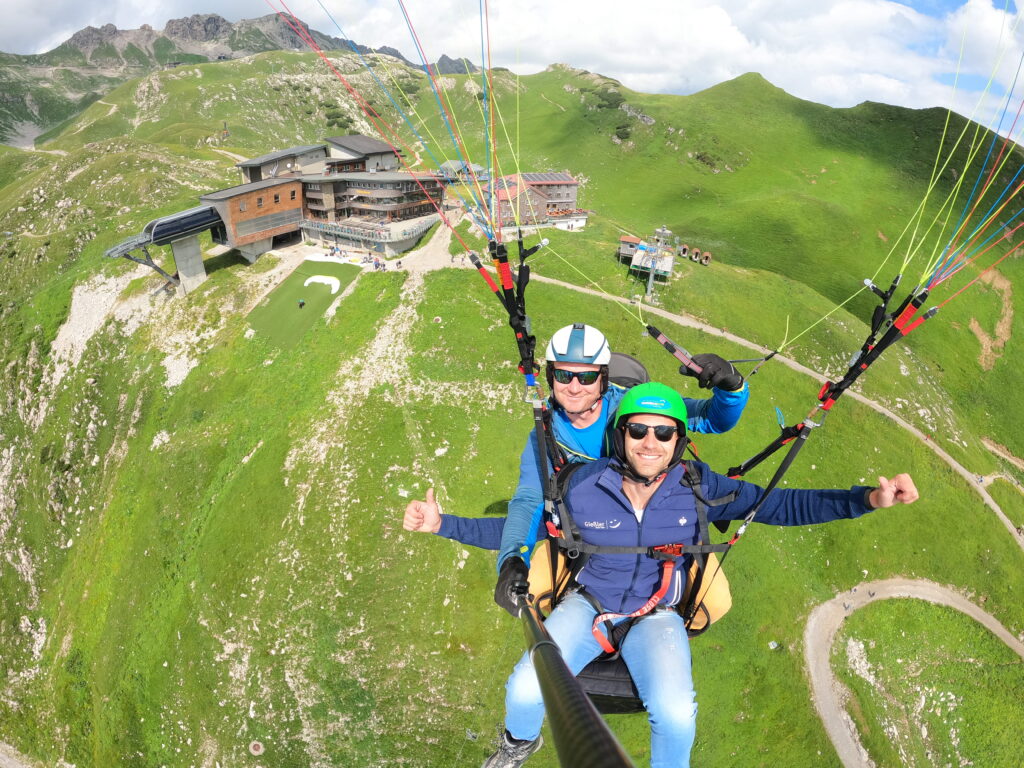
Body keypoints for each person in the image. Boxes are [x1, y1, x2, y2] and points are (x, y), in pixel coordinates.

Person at [481, 382, 919, 768]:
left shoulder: (698, 488)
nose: (650, 442)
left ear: (678, 440)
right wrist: (490, 549)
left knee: (675, 714)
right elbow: (526, 522)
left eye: (664, 431)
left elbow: (783, 505)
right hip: (589, 603)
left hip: (659, 615)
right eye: (637, 430)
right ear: (620, 437)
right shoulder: (580, 486)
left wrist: (867, 499)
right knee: (524, 688)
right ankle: (518, 746)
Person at [405, 323, 749, 559]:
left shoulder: (631, 410)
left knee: (715, 601)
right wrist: (445, 526)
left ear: (603, 378)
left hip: (657, 521)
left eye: (585, 376)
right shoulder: (546, 436)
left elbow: (711, 419)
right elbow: (527, 509)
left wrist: (730, 385)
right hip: (593, 527)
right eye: (563, 375)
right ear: (551, 378)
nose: (574, 386)